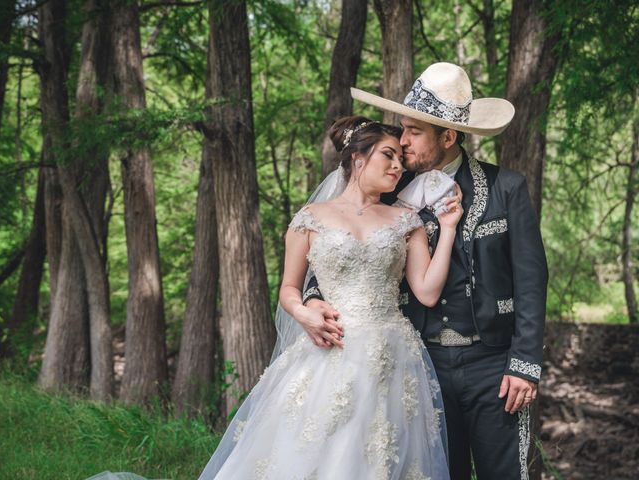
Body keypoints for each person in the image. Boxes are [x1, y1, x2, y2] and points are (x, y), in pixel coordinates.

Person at [304, 62, 548, 480]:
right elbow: (333, 242)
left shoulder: (507, 188)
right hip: (420, 363)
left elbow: (531, 279)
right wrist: (310, 300)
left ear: (448, 137)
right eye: (402, 129)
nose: (402, 141)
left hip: (493, 363)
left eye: (414, 131)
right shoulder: (389, 190)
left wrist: (524, 362)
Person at [195, 116, 464, 479]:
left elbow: (428, 293)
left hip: (391, 355)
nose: (399, 165)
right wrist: (303, 313)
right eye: (388, 155)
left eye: (401, 157)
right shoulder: (310, 219)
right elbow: (289, 288)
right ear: (357, 158)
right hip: (329, 352)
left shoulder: (407, 220)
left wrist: (447, 229)